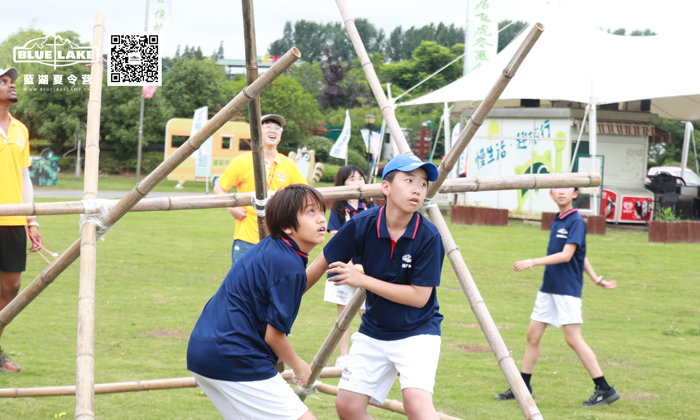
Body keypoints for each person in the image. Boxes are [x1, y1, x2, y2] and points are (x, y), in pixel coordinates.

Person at [306, 154, 445, 420]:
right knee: (347, 406)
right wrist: (282, 296)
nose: (418, 188)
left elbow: (419, 297)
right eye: (409, 180)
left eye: (424, 183)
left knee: (417, 406)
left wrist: (362, 280)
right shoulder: (362, 225)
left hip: (417, 331)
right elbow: (320, 265)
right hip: (375, 330)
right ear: (386, 187)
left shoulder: (429, 236)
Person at [187, 184, 327, 420]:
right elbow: (274, 337)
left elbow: (293, 287)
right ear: (286, 226)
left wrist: (328, 257)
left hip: (203, 350)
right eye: (311, 212)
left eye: (322, 211)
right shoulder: (289, 265)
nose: (321, 219)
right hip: (237, 356)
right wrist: (299, 365)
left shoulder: (272, 248)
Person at [495, 187, 620, 406]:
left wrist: (531, 262)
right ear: (551, 195)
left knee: (573, 339)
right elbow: (581, 255)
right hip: (549, 288)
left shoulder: (576, 221)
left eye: (566, 188)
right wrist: (596, 278)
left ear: (575, 194)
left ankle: (604, 388)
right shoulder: (558, 219)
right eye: (556, 189)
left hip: (566, 289)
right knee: (532, 335)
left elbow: (568, 255)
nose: (561, 192)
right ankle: (523, 387)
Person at [214, 114, 307, 266]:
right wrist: (231, 208)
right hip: (247, 239)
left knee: (273, 287)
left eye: (277, 128)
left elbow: (304, 194)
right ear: (257, 132)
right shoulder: (242, 161)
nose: (274, 130)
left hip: (279, 239)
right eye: (268, 127)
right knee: (242, 287)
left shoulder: (288, 164)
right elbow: (219, 188)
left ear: (281, 136)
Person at [0, 67, 40, 373]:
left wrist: (32, 219)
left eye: (11, 82)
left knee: (11, 287)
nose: (11, 86)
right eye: (3, 82)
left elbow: (25, 177)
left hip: (13, 220)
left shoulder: (20, 129)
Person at [323, 165, 373, 367]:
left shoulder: (371, 207)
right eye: (351, 179)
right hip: (342, 269)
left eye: (360, 178)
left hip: (366, 270)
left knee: (367, 315)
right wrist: (351, 265)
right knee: (343, 316)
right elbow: (336, 240)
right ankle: (343, 357)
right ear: (342, 184)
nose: (357, 182)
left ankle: (366, 356)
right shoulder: (337, 210)